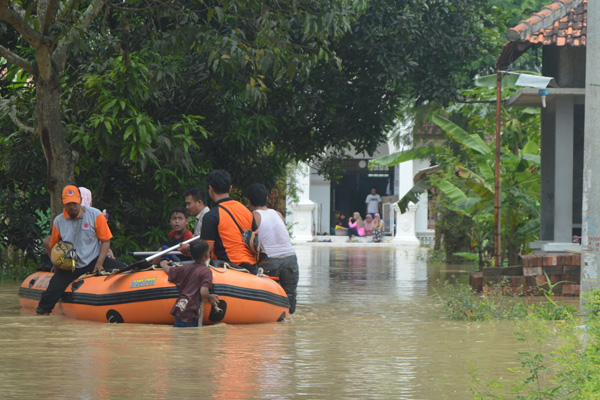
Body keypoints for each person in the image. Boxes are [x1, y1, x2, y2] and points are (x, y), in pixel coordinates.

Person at [37, 185, 124, 315]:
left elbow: (106, 241)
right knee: (50, 293)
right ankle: (41, 315)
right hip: (71, 265)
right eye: (68, 203)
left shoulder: (96, 215)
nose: (72, 206)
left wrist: (100, 263)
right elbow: (52, 245)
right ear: (63, 203)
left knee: (125, 270)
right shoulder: (59, 221)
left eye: (74, 203)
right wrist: (56, 264)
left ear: (80, 200)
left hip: (94, 260)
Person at [247, 183, 299, 314]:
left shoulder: (254, 216)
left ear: (249, 201)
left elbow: (251, 242)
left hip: (270, 261)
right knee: (290, 298)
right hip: (291, 259)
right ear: (266, 199)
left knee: (268, 298)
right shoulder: (278, 214)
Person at [199, 170, 259, 273]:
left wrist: (188, 250)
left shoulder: (211, 216)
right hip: (252, 268)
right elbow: (256, 241)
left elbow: (205, 251)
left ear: (211, 189)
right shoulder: (247, 211)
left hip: (229, 269)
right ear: (230, 189)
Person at [159, 239, 219, 327]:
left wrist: (164, 264)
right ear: (207, 255)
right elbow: (203, 292)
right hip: (191, 312)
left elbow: (169, 270)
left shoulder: (185, 268)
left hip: (180, 308)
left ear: (190, 254)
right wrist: (210, 297)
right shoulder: (206, 272)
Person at [180, 187, 210, 255]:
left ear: (199, 202)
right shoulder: (200, 217)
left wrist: (188, 248)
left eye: (189, 204)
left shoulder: (207, 217)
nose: (187, 207)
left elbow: (203, 247)